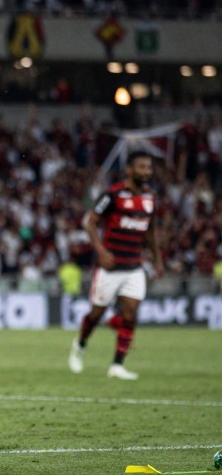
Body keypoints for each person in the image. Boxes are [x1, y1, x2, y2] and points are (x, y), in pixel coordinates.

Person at [68, 150, 163, 380]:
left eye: (149, 167)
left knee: (130, 314)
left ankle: (117, 365)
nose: (147, 171)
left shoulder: (150, 197)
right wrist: (101, 251)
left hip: (134, 267)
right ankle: (80, 344)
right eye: (141, 167)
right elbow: (89, 222)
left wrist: (158, 259)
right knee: (96, 315)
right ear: (129, 170)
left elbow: (150, 231)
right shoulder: (112, 195)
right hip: (110, 268)